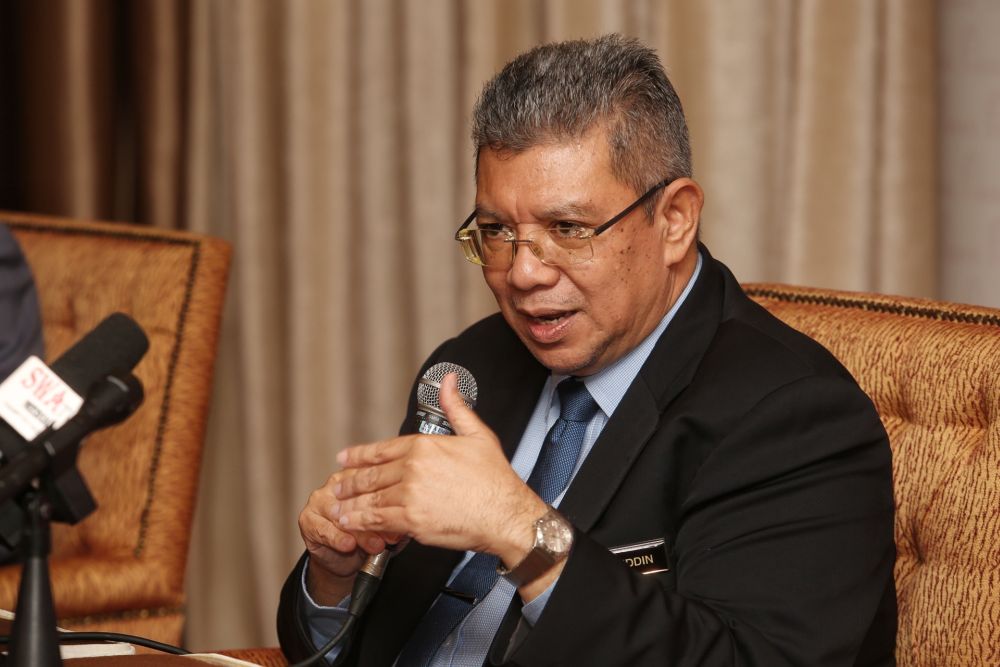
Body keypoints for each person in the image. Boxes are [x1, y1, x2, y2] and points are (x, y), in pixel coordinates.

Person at [277, 34, 896, 666]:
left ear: (675, 218)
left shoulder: (793, 417)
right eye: (497, 232)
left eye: (567, 230)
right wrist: (335, 578)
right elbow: (349, 645)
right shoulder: (477, 365)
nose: (522, 274)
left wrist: (522, 530)